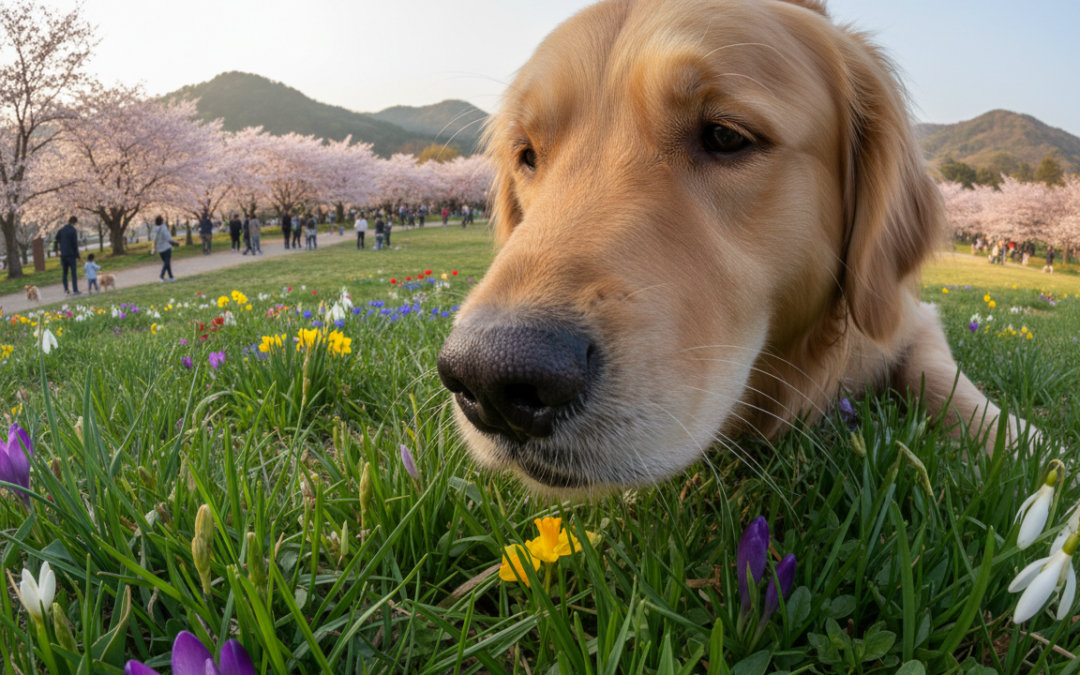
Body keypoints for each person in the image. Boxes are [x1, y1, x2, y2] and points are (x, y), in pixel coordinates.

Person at [55, 215, 81, 295]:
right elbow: (74, 244)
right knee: (73, 273)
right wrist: (77, 255)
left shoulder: (61, 230)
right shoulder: (73, 230)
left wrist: (57, 250)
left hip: (63, 254)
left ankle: (66, 289)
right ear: (75, 222)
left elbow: (56, 240)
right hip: (71, 254)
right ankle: (75, 289)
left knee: (65, 273)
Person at [152, 215, 178, 281]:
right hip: (166, 247)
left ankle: (171, 277)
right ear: (162, 221)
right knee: (167, 262)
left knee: (167, 263)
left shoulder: (155, 229)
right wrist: (174, 243)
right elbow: (168, 237)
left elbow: (154, 240)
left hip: (159, 249)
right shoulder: (163, 228)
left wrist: (153, 249)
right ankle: (162, 275)